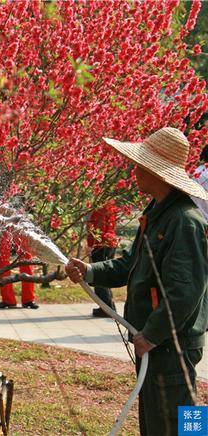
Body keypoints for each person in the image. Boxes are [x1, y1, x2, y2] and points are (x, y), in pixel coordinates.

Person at [65, 127, 208, 436]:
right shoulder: (157, 213)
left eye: (141, 163)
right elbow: (131, 264)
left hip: (172, 345)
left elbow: (185, 292)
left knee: (182, 420)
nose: (135, 169)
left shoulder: (185, 222)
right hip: (158, 343)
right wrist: (89, 271)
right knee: (162, 420)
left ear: (158, 172)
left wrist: (153, 334)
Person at [86, 201, 119, 317]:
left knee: (99, 275)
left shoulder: (98, 206)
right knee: (105, 274)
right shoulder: (111, 204)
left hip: (101, 244)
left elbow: (94, 228)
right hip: (110, 242)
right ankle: (108, 305)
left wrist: (91, 245)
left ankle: (106, 307)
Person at [0, 231, 39, 309]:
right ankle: (8, 300)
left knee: (27, 261)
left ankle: (28, 300)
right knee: (3, 260)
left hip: (21, 227)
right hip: (4, 225)